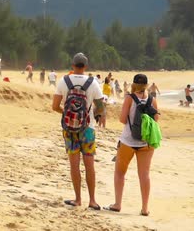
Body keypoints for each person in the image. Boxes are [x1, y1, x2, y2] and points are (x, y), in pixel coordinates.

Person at [52, 53, 105, 211]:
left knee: (74, 165)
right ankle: (93, 201)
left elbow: (54, 106)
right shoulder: (93, 83)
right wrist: (94, 115)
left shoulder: (64, 81)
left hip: (69, 129)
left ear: (72, 65)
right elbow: (100, 108)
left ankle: (77, 199)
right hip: (88, 129)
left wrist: (69, 115)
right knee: (89, 165)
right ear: (86, 66)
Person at [105, 73, 159, 216]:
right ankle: (145, 208)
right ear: (146, 85)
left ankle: (117, 204)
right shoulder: (152, 100)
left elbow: (123, 119)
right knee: (144, 175)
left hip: (128, 140)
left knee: (120, 172)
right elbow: (156, 120)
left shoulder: (129, 98)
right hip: (146, 143)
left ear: (134, 84)